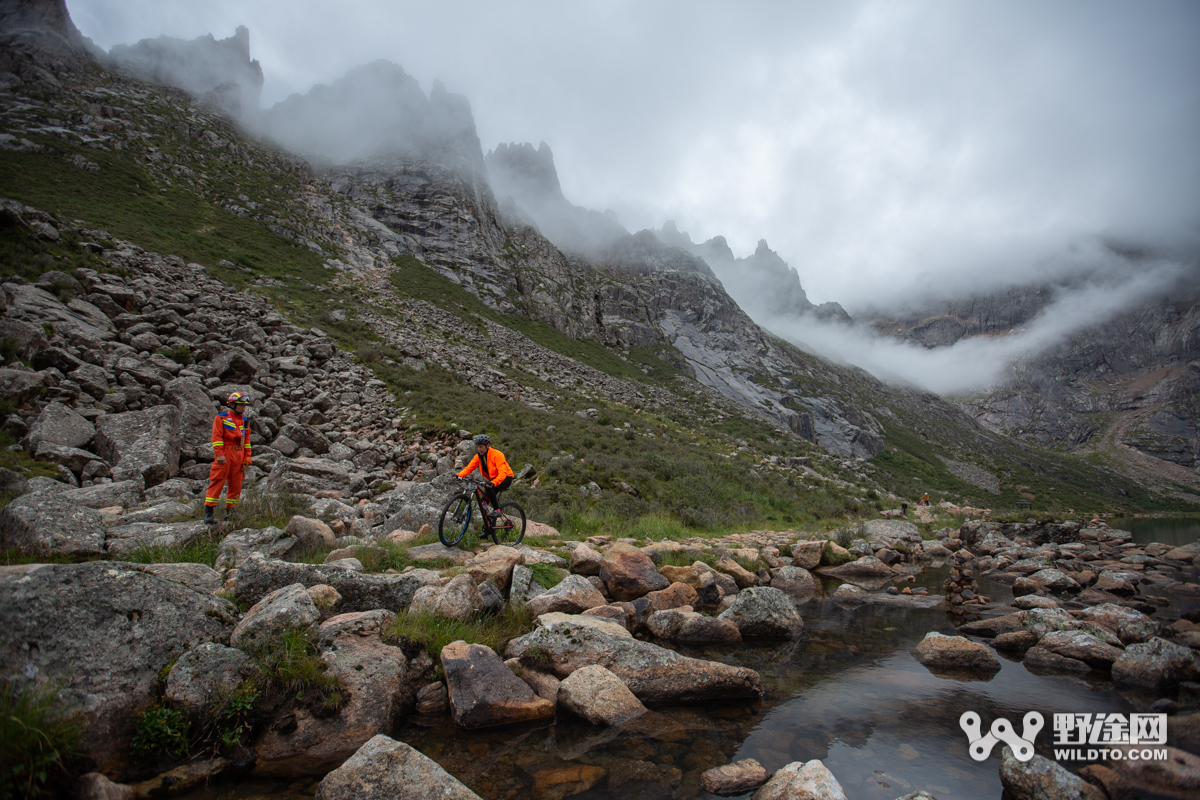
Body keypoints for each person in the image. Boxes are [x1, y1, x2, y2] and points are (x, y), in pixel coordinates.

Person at [205, 391, 252, 524]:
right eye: (240, 405)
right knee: (217, 481)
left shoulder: (245, 421)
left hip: (239, 454)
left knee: (236, 485)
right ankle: (209, 512)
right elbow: (216, 437)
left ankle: (231, 513)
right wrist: (219, 454)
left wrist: (247, 457)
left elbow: (247, 441)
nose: (243, 408)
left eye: (244, 406)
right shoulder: (221, 418)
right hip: (226, 453)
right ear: (232, 405)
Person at [456, 433, 514, 522]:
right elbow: (469, 468)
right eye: (478, 447)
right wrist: (459, 475)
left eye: (481, 447)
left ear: (488, 445)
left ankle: (497, 510)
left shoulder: (497, 455)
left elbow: (503, 472)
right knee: (483, 502)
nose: (479, 449)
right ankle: (488, 527)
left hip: (505, 477)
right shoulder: (478, 457)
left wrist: (494, 482)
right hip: (493, 479)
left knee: (488, 486)